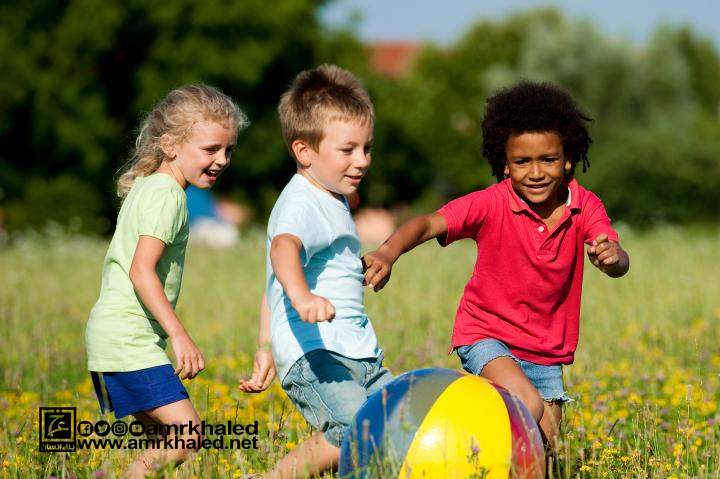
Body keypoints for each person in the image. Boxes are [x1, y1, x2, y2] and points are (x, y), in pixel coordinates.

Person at [362, 81, 630, 470]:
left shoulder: (584, 206)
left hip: (547, 352)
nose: (535, 172)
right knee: (526, 405)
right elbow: (428, 223)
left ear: (568, 160)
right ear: (505, 164)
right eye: (522, 162)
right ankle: (460, 443)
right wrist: (389, 252)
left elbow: (615, 256)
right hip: (486, 335)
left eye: (548, 160)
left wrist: (612, 258)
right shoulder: (491, 204)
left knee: (544, 449)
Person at [85, 84, 247, 478]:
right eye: (210, 149)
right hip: (129, 341)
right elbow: (141, 270)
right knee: (187, 435)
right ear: (170, 145)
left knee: (164, 444)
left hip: (115, 337)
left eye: (228, 150)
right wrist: (179, 335)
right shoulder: (168, 195)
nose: (222, 160)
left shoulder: (151, 186)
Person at [239, 64, 392, 479]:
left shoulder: (332, 197)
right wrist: (302, 297)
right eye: (348, 150)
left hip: (358, 352)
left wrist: (265, 345)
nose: (362, 161)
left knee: (396, 425)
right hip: (316, 354)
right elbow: (283, 250)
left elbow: (273, 282)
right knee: (353, 430)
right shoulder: (301, 202)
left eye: (367, 148)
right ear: (305, 152)